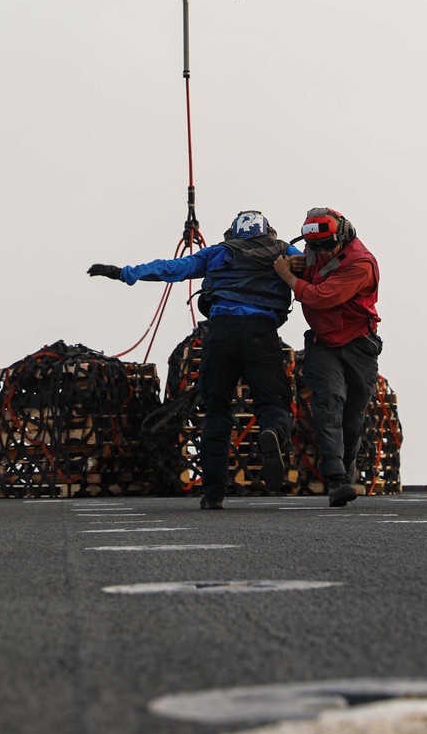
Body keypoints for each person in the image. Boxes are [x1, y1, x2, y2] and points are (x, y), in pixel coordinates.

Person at [88, 211, 295, 509]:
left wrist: (124, 273)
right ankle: (272, 432)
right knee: (273, 404)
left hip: (221, 334)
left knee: (216, 411)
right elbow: (317, 268)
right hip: (262, 336)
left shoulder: (218, 253)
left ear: (233, 233)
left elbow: (172, 268)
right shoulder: (284, 251)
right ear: (268, 231)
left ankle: (213, 495)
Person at [273, 207, 381, 508]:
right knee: (328, 403)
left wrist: (286, 276)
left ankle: (345, 472)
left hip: (358, 345)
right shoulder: (315, 252)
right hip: (323, 344)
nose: (319, 252)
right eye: (313, 247)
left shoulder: (361, 265)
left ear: (343, 236)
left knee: (352, 417)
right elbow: (313, 268)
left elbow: (320, 296)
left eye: (326, 246)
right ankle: (337, 480)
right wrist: (299, 264)